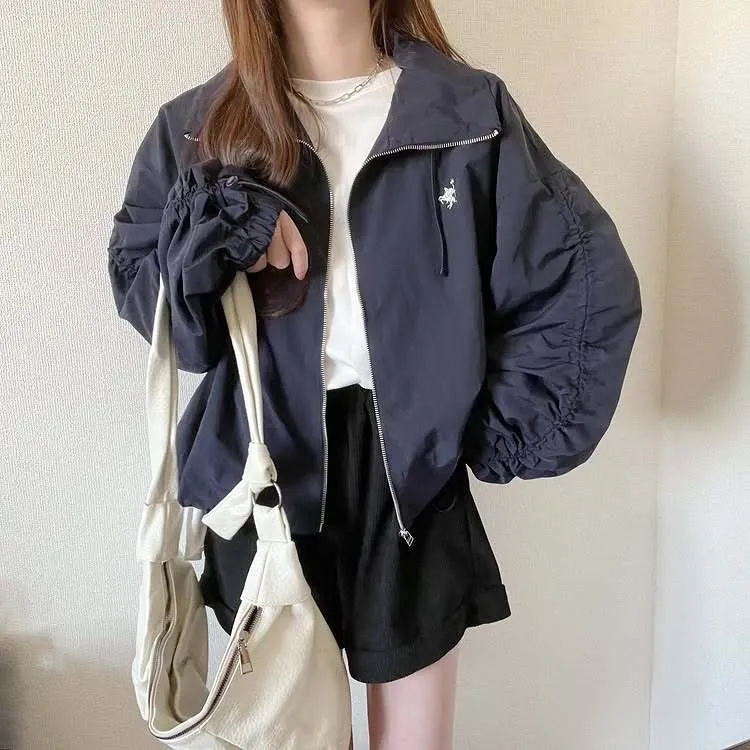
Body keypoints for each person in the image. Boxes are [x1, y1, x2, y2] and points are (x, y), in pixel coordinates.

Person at [106, 1, 642, 748]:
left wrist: (493, 431)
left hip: (412, 477)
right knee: (288, 735)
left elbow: (576, 279)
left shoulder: (467, 111)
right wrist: (222, 225)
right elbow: (162, 310)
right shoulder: (200, 130)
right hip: (263, 474)